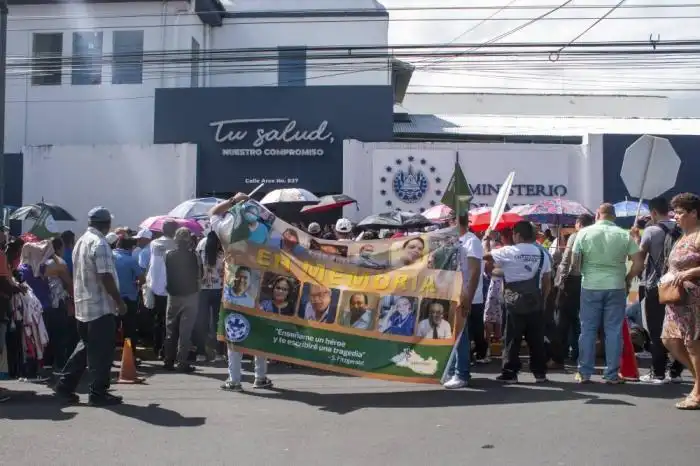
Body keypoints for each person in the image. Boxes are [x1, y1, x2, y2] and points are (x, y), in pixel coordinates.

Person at [54, 207, 126, 406]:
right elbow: (105, 276)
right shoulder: (100, 243)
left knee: (85, 348)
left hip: (84, 306)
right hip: (100, 306)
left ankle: (64, 386)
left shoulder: (81, 242)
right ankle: (98, 393)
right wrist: (119, 302)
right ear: (106, 224)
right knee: (102, 353)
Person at [571, 203, 643, 384]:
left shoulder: (583, 233)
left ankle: (584, 372)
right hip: (616, 286)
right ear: (614, 216)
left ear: (597, 214)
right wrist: (627, 278)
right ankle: (612, 374)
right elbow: (638, 263)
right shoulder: (623, 234)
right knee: (613, 331)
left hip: (590, 285)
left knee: (587, 330)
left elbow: (575, 262)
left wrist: (585, 272)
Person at [209, 194, 272, 392]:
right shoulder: (263, 230)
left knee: (235, 332)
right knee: (259, 333)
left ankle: (234, 379)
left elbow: (212, 213)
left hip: (234, 289)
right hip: (258, 288)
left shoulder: (226, 228)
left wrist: (233, 200)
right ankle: (260, 376)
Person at [484, 221, 552, 384]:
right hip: (535, 301)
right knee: (536, 340)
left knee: (512, 339)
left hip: (513, 302)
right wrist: (543, 299)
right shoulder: (542, 253)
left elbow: (486, 256)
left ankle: (510, 372)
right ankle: (540, 373)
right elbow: (547, 280)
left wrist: (487, 240)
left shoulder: (509, 251)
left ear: (518, 235)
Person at [629, 196, 685, 384]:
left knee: (655, 329)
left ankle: (658, 372)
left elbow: (640, 257)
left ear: (653, 212)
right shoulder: (682, 229)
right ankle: (675, 371)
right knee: (679, 328)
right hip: (680, 284)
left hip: (655, 286)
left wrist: (636, 238)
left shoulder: (651, 231)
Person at [662, 193, 700, 409]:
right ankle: (699, 382)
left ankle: (698, 392)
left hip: (694, 299)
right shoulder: (682, 236)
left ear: (694, 213)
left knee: (692, 344)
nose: (675, 216)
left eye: (679, 212)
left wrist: (692, 272)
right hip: (675, 298)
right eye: (674, 212)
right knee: (670, 340)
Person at [443, 211, 484, 389]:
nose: (446, 225)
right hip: (453, 293)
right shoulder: (453, 241)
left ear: (455, 221)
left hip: (466, 295)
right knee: (453, 334)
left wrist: (468, 295)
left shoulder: (471, 240)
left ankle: (462, 373)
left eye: (448, 222)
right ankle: (451, 370)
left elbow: (475, 271)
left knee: (461, 335)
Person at [551, 213, 594, 366]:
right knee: (580, 321)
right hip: (589, 280)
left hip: (572, 280)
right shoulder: (594, 236)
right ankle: (579, 353)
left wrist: (559, 281)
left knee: (562, 319)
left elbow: (566, 259)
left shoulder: (575, 236)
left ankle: (560, 355)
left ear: (578, 223)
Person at [163, 228, 200, 373]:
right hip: (190, 295)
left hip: (173, 296)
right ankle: (182, 362)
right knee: (185, 331)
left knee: (170, 330)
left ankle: (168, 360)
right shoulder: (194, 256)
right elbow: (199, 274)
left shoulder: (168, 255)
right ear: (188, 240)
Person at [144, 220, 178, 359]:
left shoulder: (154, 244)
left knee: (158, 320)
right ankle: (166, 350)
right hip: (171, 288)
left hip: (155, 287)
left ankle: (157, 348)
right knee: (170, 322)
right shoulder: (176, 245)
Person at [44, 236, 75, 374]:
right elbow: (69, 283)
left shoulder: (42, 262)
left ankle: (47, 363)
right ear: (58, 248)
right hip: (58, 301)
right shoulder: (59, 262)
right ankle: (60, 364)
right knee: (61, 334)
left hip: (45, 302)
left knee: (48, 333)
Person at [196, 230, 225, 362]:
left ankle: (201, 352)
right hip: (219, 288)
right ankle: (218, 352)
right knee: (218, 322)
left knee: (202, 321)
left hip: (203, 289)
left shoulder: (201, 244)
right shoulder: (222, 247)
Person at [113, 236, 144, 357]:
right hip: (129, 299)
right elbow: (142, 279)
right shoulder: (130, 260)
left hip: (112, 298)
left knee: (111, 330)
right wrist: (135, 283)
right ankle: (130, 355)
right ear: (129, 247)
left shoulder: (110, 257)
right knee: (129, 330)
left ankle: (108, 357)